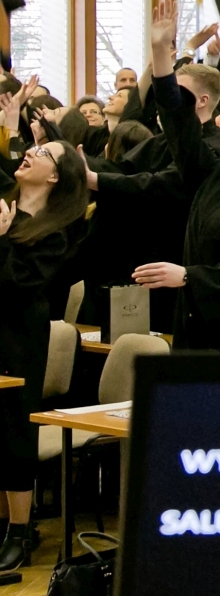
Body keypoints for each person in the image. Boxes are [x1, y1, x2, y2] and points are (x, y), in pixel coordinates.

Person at [91, 0, 220, 349]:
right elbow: (179, 123)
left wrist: (190, 276)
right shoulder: (215, 175)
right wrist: (160, 52)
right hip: (191, 317)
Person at [0, 134, 89, 572]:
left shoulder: (56, 231)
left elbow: (19, 285)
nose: (30, 154)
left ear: (55, 176)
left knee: (14, 428)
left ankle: (20, 530)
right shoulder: (5, 206)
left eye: (43, 153)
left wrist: (1, 240)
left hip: (18, 335)